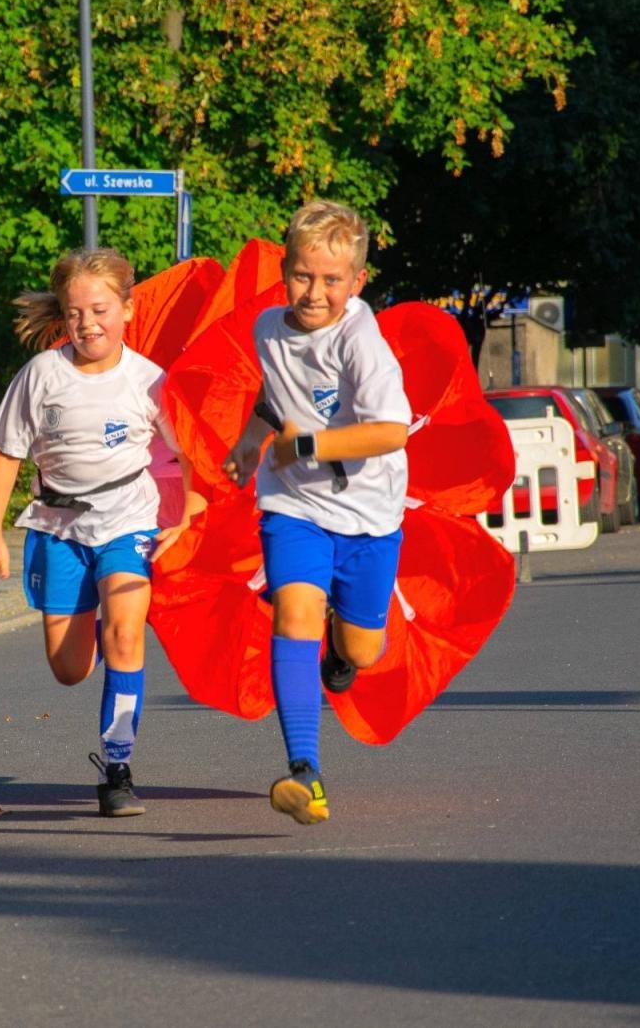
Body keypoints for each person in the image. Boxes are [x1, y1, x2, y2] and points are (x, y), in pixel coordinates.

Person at [0, 247, 205, 817]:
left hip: (128, 521)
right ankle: (98, 621)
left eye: (100, 310)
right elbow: (5, 454)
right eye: (75, 313)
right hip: (58, 526)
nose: (87, 324)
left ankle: (118, 767)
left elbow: (191, 451)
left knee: (126, 635)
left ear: (127, 309)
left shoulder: (150, 381)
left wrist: (191, 510)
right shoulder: (41, 375)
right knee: (69, 668)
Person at [222, 200, 410, 825]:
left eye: (332, 280)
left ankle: (339, 648)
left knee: (362, 651)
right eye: (304, 275)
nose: (315, 292)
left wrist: (307, 444)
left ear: (356, 281)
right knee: (294, 609)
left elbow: (390, 431)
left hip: (368, 511)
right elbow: (279, 395)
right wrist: (254, 439)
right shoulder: (267, 328)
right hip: (293, 501)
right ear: (284, 270)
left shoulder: (362, 339)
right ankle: (305, 771)